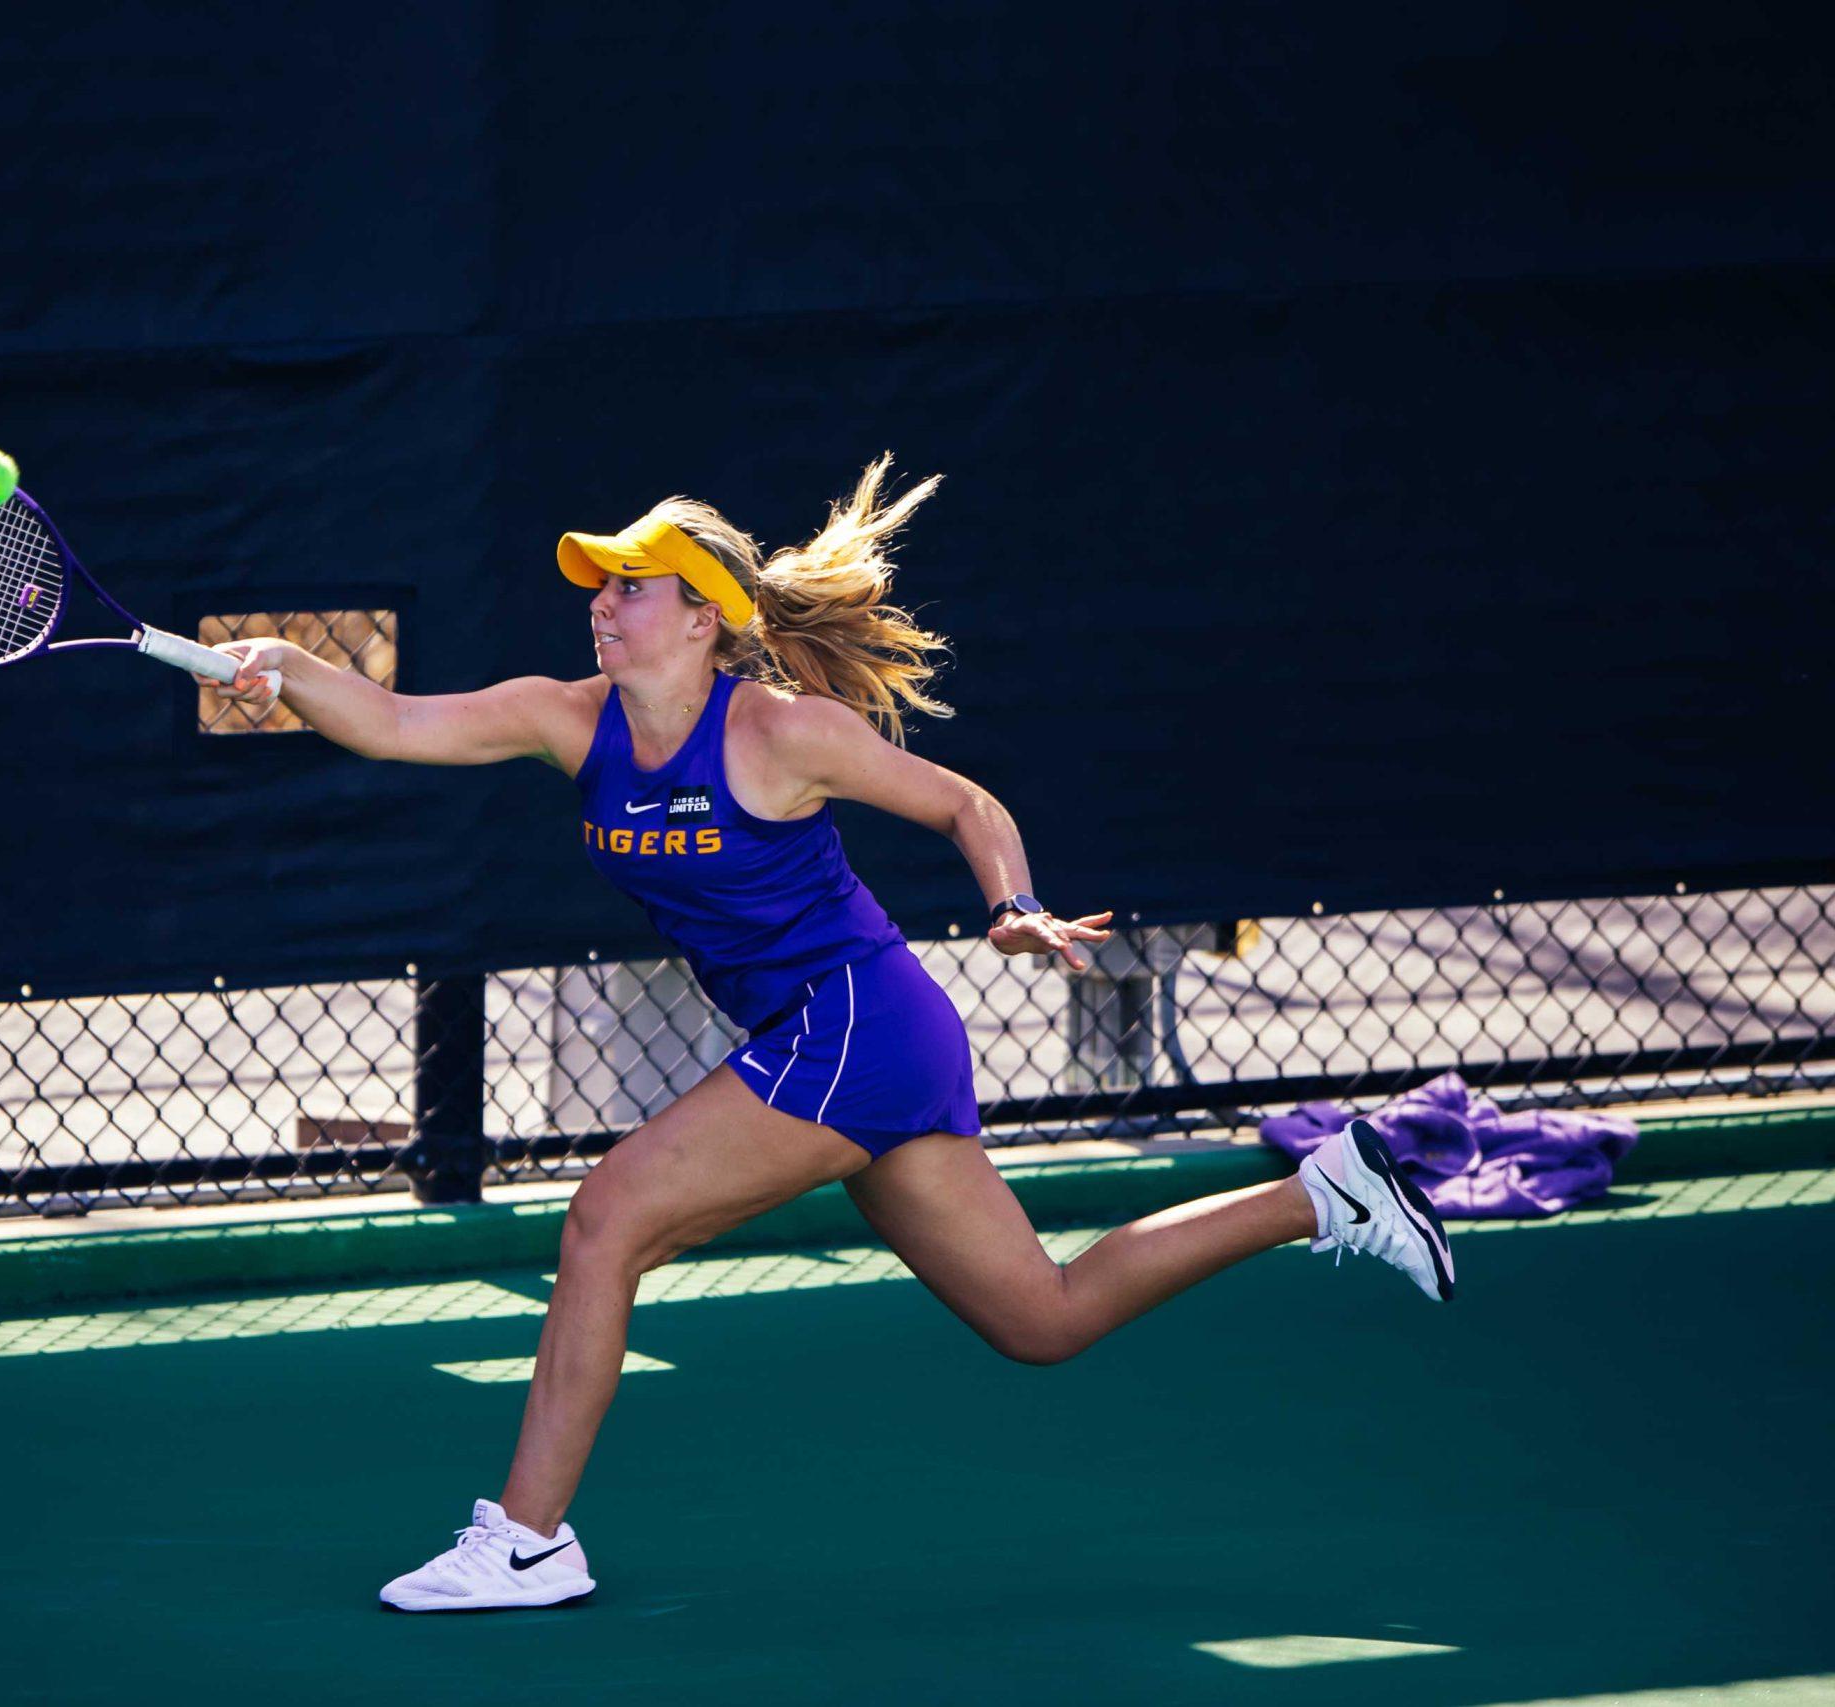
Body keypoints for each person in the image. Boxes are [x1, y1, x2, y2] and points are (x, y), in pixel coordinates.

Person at [197, 455, 1454, 1613]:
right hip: (854, 1044)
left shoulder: (781, 731)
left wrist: (1011, 907)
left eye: (633, 587)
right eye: (601, 586)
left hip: (853, 1026)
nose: (604, 604)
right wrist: (281, 667)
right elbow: (400, 721)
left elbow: (964, 800)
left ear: (701, 618)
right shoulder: (564, 717)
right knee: (1042, 1318)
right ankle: (1322, 1190)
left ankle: (526, 1539)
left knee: (604, 1217)